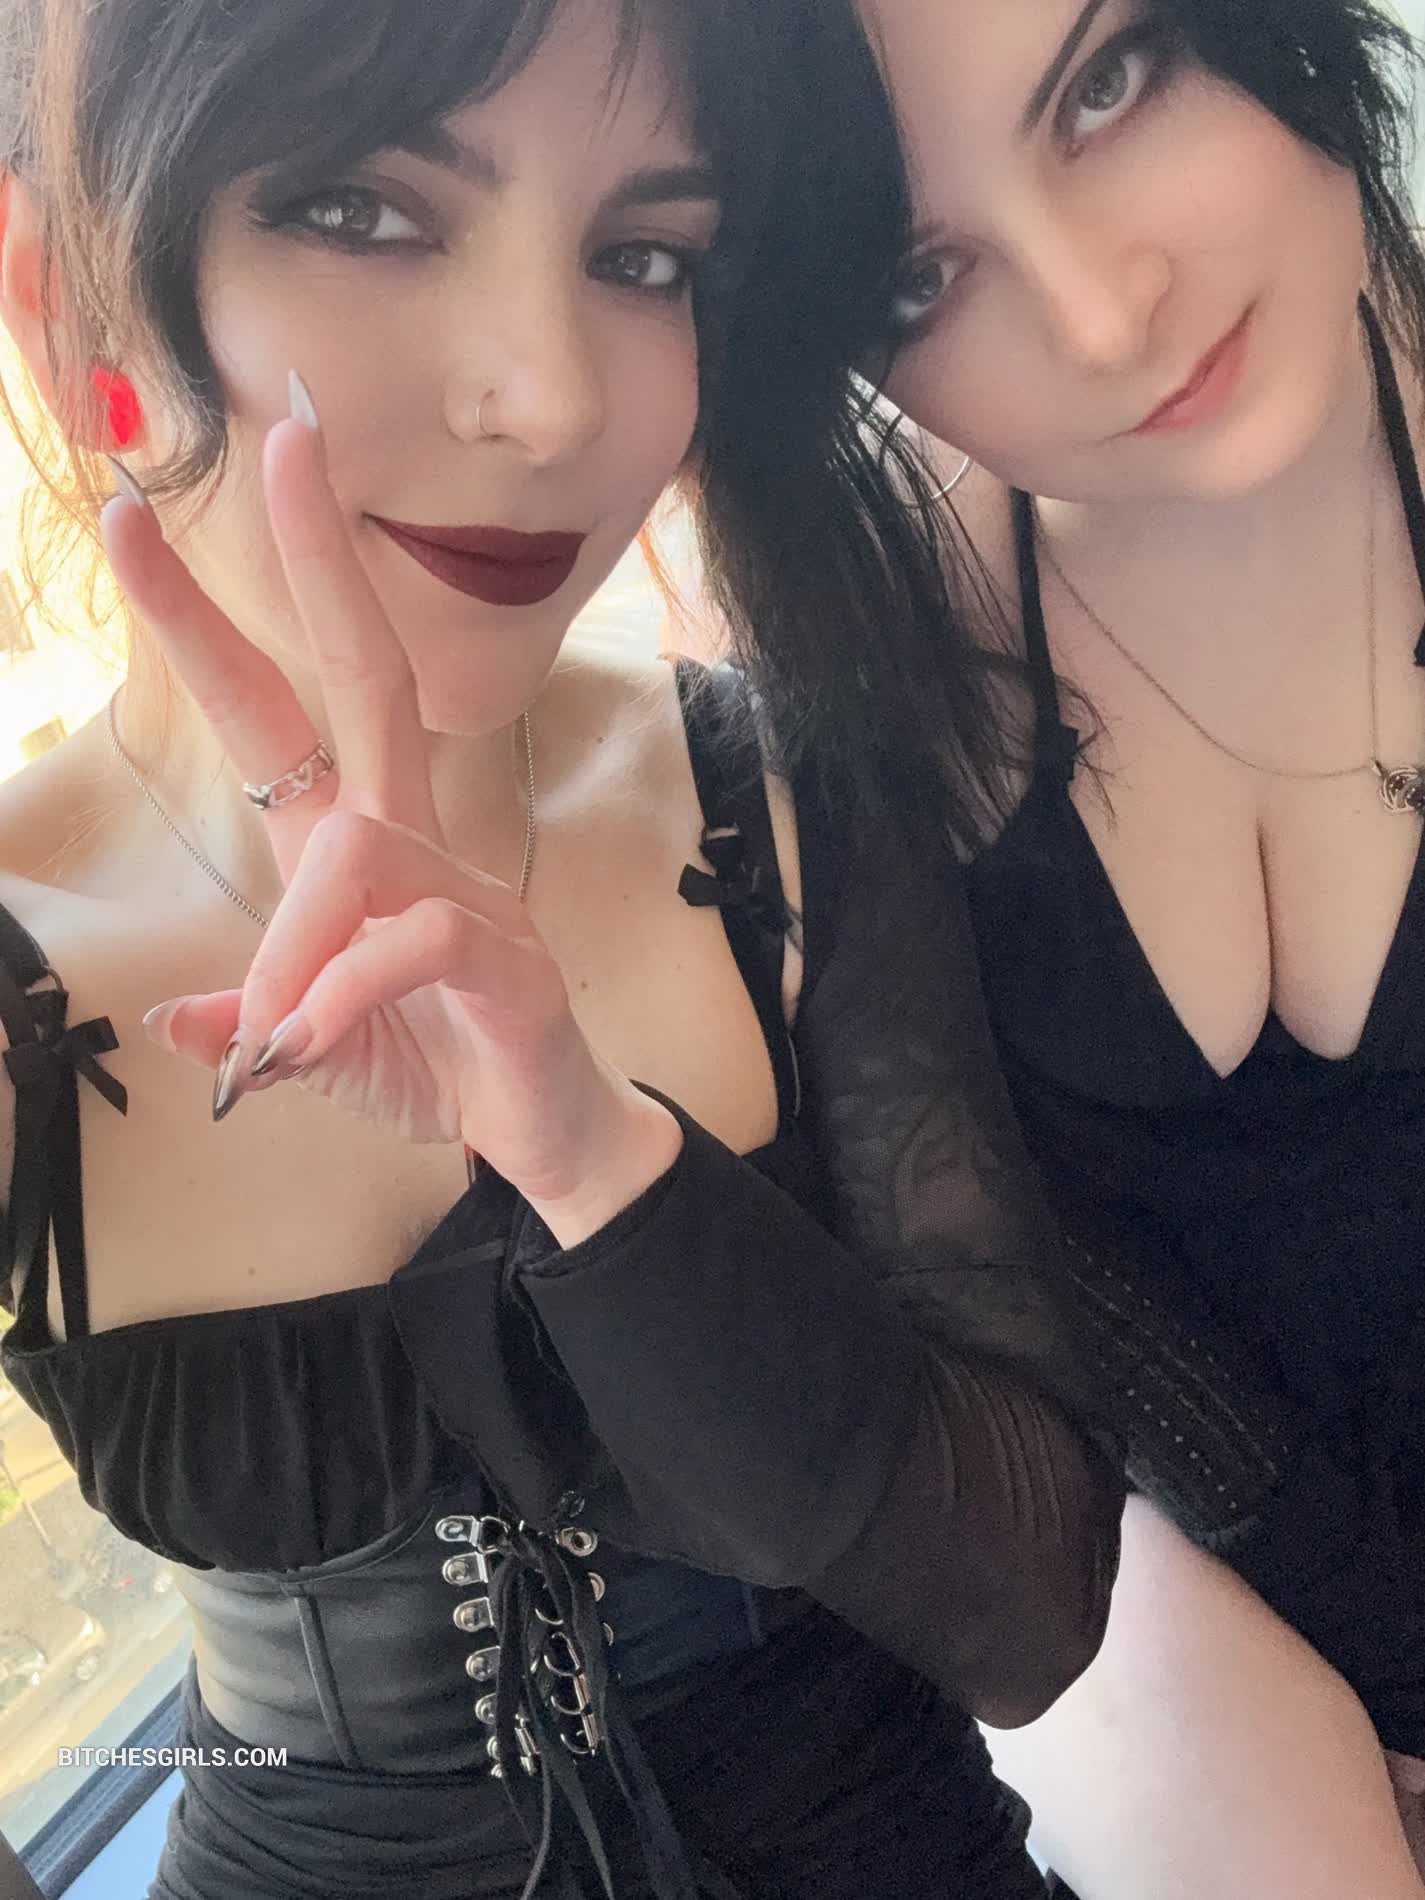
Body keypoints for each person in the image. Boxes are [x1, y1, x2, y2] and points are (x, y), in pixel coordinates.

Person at [0, 1, 1125, 1897]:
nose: (555, 399)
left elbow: (1030, 1617)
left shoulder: (776, 803)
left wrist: (593, 1155)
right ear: (58, 299)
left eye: (643, 256)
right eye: (363, 210)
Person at [710, 0, 1425, 1891]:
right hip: (1247, 1649)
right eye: (918, 278)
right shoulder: (887, 676)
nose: (1102, 319)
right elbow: (1058, 1316)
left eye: (1107, 85)